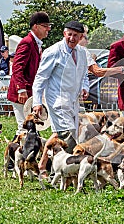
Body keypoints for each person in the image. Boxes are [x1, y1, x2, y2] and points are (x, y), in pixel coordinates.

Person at [33, 20, 89, 176]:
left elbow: (84, 74)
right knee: (68, 136)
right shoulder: (53, 51)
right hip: (56, 99)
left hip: (73, 100)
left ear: (80, 37)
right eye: (69, 34)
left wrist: (85, 87)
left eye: (75, 35)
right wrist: (37, 102)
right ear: (64, 34)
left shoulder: (82, 53)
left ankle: (46, 167)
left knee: (66, 134)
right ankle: (65, 171)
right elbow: (40, 78)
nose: (71, 38)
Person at [7, 11, 51, 137]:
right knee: (24, 128)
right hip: (22, 93)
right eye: (45, 26)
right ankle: (17, 155)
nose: (48, 29)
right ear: (35, 26)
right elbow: (17, 67)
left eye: (49, 26)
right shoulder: (27, 42)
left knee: (31, 128)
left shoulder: (35, 43)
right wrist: (21, 89)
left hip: (28, 92)